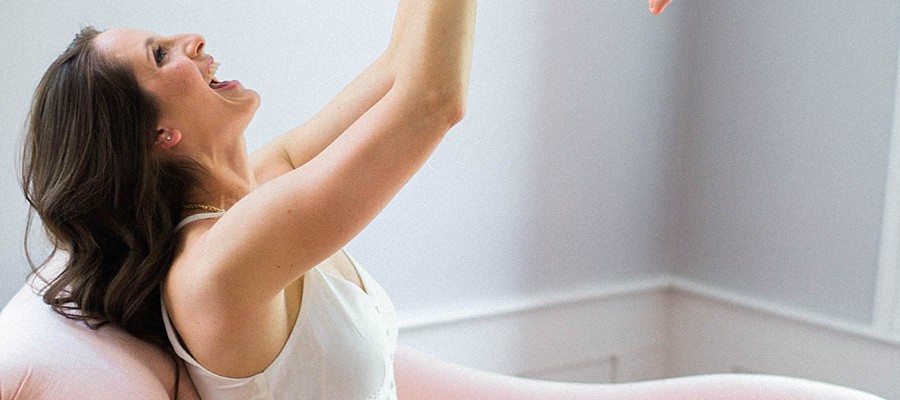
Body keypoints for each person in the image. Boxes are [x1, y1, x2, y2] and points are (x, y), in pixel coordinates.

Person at [19, 0, 886, 398]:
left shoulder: (256, 196)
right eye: (162, 54)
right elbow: (432, 104)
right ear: (157, 135)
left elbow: (404, 70)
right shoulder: (220, 264)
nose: (194, 37)